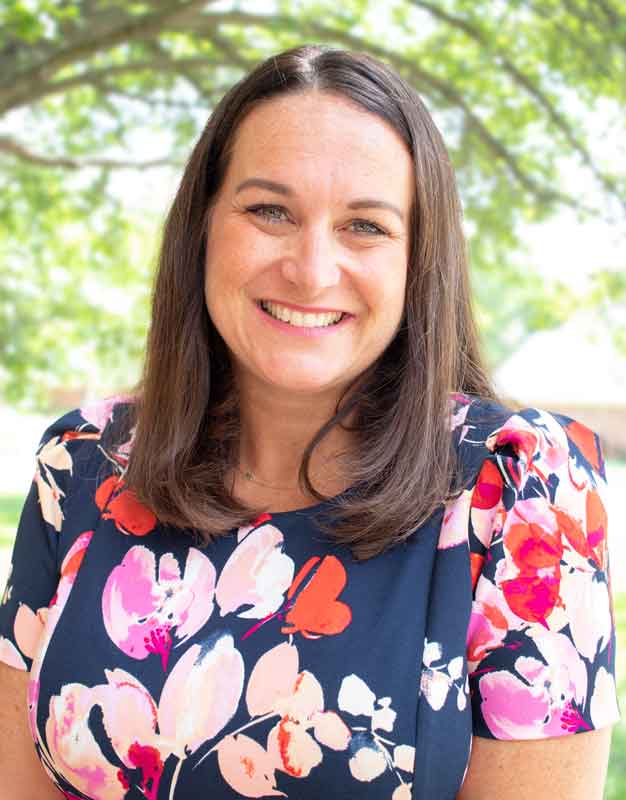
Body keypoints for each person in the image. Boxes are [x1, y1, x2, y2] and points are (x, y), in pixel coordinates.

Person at [0, 43, 620, 800]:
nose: (312, 268)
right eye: (269, 210)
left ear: (417, 261)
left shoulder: (521, 490)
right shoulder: (82, 464)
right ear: (201, 228)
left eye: (364, 226)